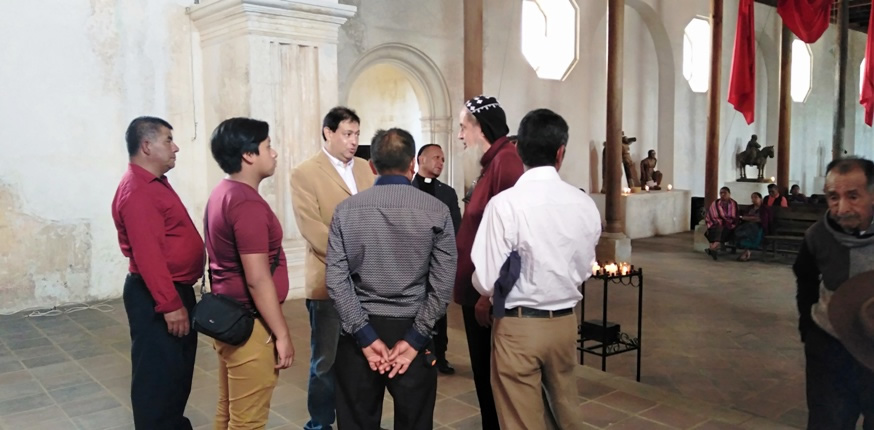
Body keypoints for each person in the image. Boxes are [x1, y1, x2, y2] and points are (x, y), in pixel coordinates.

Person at [471, 108, 599, 429]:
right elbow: (586, 268)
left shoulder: (505, 204)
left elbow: (485, 279)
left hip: (519, 326)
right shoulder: (584, 204)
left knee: (521, 419)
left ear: (518, 150)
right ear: (560, 152)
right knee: (566, 411)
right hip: (564, 323)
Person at [325, 128, 457, 430]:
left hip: (358, 333)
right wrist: (415, 338)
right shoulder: (437, 211)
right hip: (413, 328)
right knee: (415, 422)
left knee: (356, 422)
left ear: (372, 165)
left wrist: (365, 335)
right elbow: (442, 284)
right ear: (412, 163)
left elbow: (336, 279)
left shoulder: (345, 211)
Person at [112, 116, 203, 430]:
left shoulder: (154, 183)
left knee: (174, 376)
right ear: (147, 146)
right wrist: (170, 304)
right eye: (168, 140)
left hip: (171, 291)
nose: (175, 147)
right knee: (158, 380)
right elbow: (148, 255)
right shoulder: (139, 191)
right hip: (158, 295)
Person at [205, 117, 294, 428]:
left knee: (229, 412)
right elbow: (257, 278)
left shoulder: (223, 191)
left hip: (230, 317)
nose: (274, 153)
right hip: (250, 327)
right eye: (268, 146)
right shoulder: (246, 203)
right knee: (248, 422)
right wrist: (282, 334)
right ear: (248, 155)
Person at [291, 107, 375, 430]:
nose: (353, 141)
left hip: (367, 282)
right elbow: (312, 228)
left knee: (361, 359)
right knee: (325, 361)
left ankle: (356, 421)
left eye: (357, 134)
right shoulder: (305, 173)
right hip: (328, 280)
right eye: (347, 134)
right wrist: (352, 257)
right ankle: (320, 423)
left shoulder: (366, 168)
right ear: (328, 132)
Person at [453, 95, 524, 430]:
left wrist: (488, 293)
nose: (460, 135)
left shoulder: (506, 162)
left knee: (492, 376)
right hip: (476, 289)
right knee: (483, 375)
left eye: (463, 127)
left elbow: (509, 236)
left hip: (487, 294)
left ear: (480, 127)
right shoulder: (491, 162)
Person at [795, 157, 874, 429]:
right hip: (830, 346)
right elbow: (805, 279)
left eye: (853, 196)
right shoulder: (817, 236)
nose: (841, 208)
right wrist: (808, 330)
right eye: (833, 197)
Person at [412, 143, 461, 374]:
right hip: (413, 260)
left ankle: (440, 355)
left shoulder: (447, 193)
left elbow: (456, 228)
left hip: (438, 262)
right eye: (436, 158)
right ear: (421, 159)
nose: (440, 162)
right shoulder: (408, 188)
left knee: (438, 309)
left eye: (442, 158)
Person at [704, 187, 739, 260]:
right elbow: (712, 214)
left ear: (729, 194)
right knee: (716, 227)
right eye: (721, 193)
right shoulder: (716, 203)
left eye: (725, 193)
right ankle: (713, 247)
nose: (722, 195)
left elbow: (734, 216)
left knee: (722, 227)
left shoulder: (733, 203)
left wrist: (725, 221)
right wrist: (720, 221)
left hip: (729, 224)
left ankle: (712, 248)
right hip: (715, 223)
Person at [734, 192, 765, 262]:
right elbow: (743, 217)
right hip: (747, 225)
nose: (753, 199)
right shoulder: (750, 208)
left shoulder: (764, 208)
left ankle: (746, 253)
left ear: (761, 199)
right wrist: (749, 218)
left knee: (751, 231)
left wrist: (749, 218)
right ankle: (747, 252)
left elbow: (761, 219)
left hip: (758, 226)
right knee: (739, 230)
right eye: (752, 197)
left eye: (756, 197)